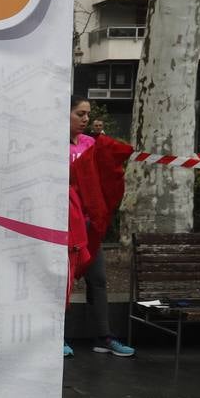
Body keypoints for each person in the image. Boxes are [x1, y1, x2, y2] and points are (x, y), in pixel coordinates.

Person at [67, 97, 134, 358]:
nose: (85, 119)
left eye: (87, 114)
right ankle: (56, 337)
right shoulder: (51, 145)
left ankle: (104, 337)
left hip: (90, 225)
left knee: (99, 280)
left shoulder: (91, 143)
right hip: (66, 226)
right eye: (79, 114)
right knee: (64, 282)